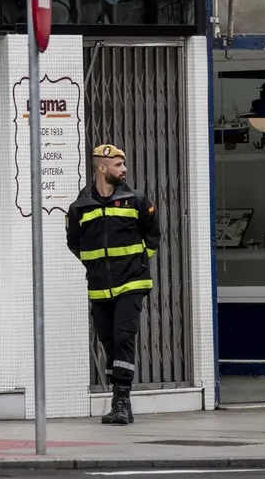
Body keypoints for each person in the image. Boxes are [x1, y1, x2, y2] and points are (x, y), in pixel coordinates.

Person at [66, 144, 161, 425]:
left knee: (123, 338)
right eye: (118, 165)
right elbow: (75, 243)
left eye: (124, 164)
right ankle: (119, 401)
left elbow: (153, 236)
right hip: (99, 287)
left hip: (132, 283)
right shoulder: (79, 207)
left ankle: (122, 400)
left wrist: (139, 264)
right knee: (109, 342)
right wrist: (95, 267)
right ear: (102, 168)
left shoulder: (136, 200)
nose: (125, 170)